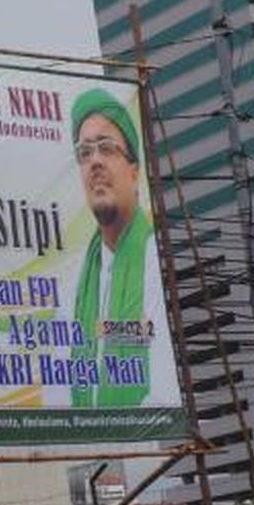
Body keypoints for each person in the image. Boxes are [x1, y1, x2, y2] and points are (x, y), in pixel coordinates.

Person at [70, 88, 174, 407]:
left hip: (148, 444)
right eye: (84, 153)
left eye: (106, 148)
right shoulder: (74, 284)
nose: (95, 162)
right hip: (92, 449)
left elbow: (166, 390)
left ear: (134, 172)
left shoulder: (159, 258)